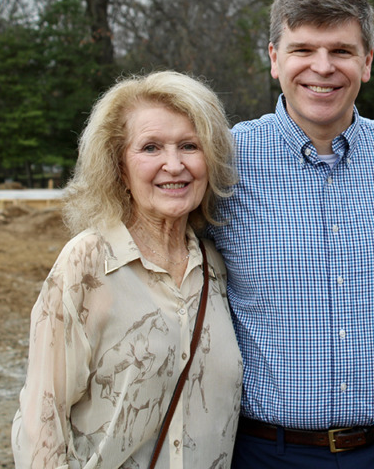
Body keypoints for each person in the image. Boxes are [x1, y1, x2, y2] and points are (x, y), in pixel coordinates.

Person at [209, 0, 374, 468]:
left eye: (341, 50)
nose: (322, 67)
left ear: (366, 62)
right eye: (303, 49)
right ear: (275, 58)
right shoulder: (223, 163)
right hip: (267, 452)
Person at [12, 71, 242, 469]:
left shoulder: (217, 267)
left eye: (189, 146)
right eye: (151, 148)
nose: (174, 165)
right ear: (119, 166)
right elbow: (41, 421)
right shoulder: (86, 264)